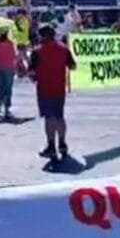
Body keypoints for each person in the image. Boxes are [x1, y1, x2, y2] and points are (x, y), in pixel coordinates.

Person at [29, 25, 76, 162]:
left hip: (44, 88)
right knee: (59, 116)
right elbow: (72, 66)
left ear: (43, 36)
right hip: (59, 88)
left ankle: (51, 145)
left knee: (49, 118)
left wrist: (33, 76)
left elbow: (31, 72)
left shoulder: (37, 51)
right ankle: (62, 143)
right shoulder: (64, 49)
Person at [14, 9, 31, 74]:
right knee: (24, 56)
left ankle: (17, 70)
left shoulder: (24, 21)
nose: (17, 15)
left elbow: (21, 29)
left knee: (19, 57)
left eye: (18, 14)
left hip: (22, 42)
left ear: (22, 14)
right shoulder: (22, 20)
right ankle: (29, 68)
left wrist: (15, 24)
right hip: (20, 41)